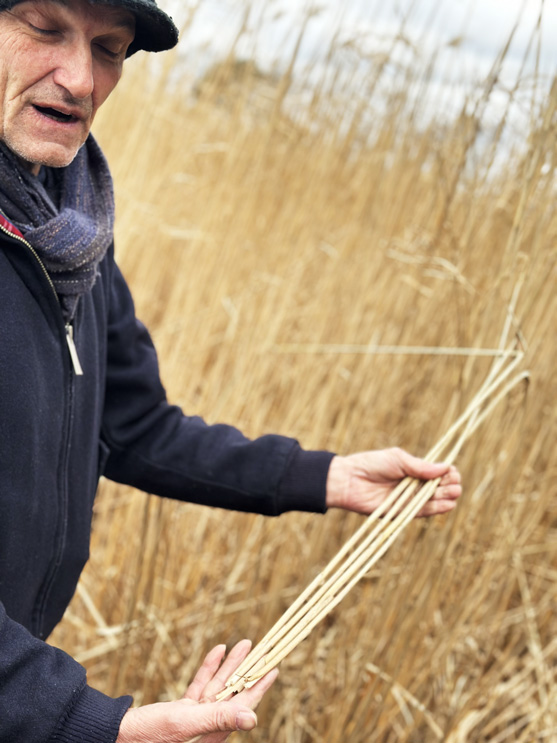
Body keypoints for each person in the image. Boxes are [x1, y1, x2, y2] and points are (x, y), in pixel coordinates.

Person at [0, 1, 462, 741]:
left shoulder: (69, 231)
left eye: (111, 49)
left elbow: (136, 426)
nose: (81, 77)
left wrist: (325, 476)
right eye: (45, 29)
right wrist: (89, 722)